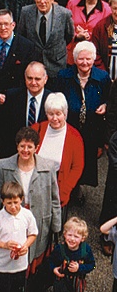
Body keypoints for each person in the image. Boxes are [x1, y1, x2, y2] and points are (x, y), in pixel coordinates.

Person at [0, 127, 62, 285]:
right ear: (17, 146)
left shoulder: (48, 167)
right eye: (22, 146)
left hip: (39, 221)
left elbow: (54, 199)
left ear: (36, 147)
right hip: (12, 220)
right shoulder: (3, 166)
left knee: (34, 262)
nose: (25, 150)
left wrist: (56, 227)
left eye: (29, 146)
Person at [55, 41, 111, 188]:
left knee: (86, 160)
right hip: (70, 126)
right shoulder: (63, 76)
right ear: (74, 59)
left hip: (91, 128)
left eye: (88, 59)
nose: (85, 62)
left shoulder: (103, 77)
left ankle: (77, 187)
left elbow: (109, 99)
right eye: (81, 58)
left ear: (93, 59)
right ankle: (67, 189)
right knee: (67, 158)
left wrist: (105, 105)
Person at [32, 93, 85, 209]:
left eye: (58, 114)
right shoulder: (37, 129)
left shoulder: (74, 136)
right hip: (35, 182)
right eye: (51, 114)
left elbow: (77, 167)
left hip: (58, 185)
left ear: (65, 114)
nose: (54, 118)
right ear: (46, 114)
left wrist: (65, 191)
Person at [0, 181, 39, 292]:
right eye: (9, 203)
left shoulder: (27, 215)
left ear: (22, 199)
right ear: (2, 201)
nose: (13, 206)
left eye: (16, 202)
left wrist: (26, 246)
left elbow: (33, 233)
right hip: (0, 266)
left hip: (20, 265)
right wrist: (4, 245)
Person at [0, 8, 36, 99]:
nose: (3, 28)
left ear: (13, 25)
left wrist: (8, 95)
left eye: (6, 24)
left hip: (15, 97)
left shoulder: (26, 46)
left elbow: (25, 77)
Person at [66, 0, 112, 65]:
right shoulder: (72, 3)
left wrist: (88, 35)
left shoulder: (106, 8)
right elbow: (64, 26)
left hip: (93, 55)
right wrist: (76, 35)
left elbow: (107, 32)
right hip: (72, 54)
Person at [49, 217, 95, 292]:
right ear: (64, 234)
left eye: (76, 236)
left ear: (82, 238)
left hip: (77, 282)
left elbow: (92, 265)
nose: (72, 239)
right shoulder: (59, 249)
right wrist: (53, 269)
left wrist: (79, 268)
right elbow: (50, 260)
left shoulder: (86, 249)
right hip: (61, 280)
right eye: (69, 235)